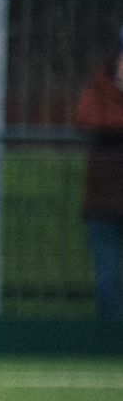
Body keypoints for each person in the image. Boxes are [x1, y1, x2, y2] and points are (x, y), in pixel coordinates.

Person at [78, 26, 123, 321]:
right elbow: (91, 119)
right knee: (107, 276)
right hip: (103, 203)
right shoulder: (99, 85)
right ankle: (110, 339)